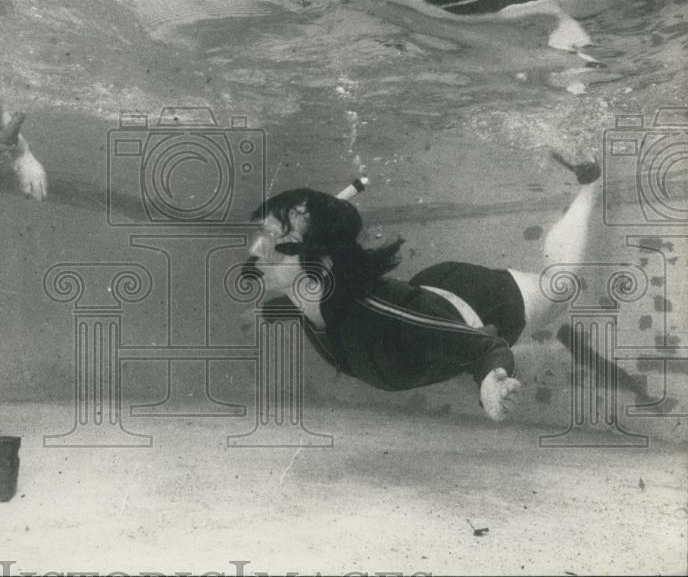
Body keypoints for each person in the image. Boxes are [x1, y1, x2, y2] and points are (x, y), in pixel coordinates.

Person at [243, 155, 602, 422]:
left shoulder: (383, 314)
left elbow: (484, 346)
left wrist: (490, 384)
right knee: (445, 350)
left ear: (322, 262)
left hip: (484, 301)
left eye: (274, 238)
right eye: (261, 233)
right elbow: (319, 311)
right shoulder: (310, 296)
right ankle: (539, 354)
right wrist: (272, 310)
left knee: (563, 285)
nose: (256, 248)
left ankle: (590, 186)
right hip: (430, 301)